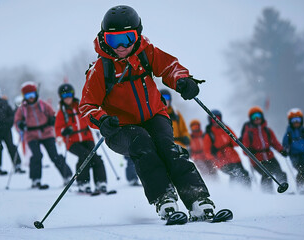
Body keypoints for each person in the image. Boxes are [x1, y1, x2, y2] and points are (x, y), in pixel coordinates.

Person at [79, 5, 215, 221]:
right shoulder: (100, 68)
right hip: (120, 128)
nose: (122, 46)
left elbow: (170, 67)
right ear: (104, 38)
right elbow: (87, 106)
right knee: (143, 144)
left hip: (154, 116)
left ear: (138, 35)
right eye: (114, 40)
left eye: (128, 38)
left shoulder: (146, 53)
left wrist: (182, 80)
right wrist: (102, 120)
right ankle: (164, 198)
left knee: (168, 149)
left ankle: (198, 198)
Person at [14, 81, 72, 189]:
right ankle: (36, 180)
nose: (31, 98)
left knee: (54, 155)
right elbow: (17, 121)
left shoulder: (43, 105)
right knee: (36, 156)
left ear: (36, 93)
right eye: (28, 96)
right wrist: (20, 125)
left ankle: (67, 176)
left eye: (32, 95)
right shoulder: (22, 108)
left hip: (46, 133)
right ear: (24, 97)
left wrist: (52, 120)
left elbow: (54, 115)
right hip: (31, 135)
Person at [55, 83, 108, 193]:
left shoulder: (80, 107)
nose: (67, 98)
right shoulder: (62, 112)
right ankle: (83, 183)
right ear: (61, 97)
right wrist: (63, 132)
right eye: (64, 96)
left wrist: (98, 125)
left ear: (73, 95)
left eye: (69, 95)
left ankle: (100, 182)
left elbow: (90, 117)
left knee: (95, 157)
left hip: (87, 138)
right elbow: (58, 128)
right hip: (72, 141)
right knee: (84, 156)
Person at [241, 106, 287, 193]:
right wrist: (250, 151)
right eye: (254, 117)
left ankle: (285, 190)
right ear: (251, 119)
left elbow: (274, 143)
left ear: (262, 117)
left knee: (280, 172)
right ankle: (267, 193)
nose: (257, 119)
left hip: (270, 156)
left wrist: (281, 150)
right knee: (267, 174)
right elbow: (244, 150)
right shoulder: (248, 133)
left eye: (258, 116)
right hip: (257, 160)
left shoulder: (267, 130)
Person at [203, 110, 251, 188]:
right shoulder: (209, 134)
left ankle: (248, 191)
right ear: (210, 121)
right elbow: (207, 152)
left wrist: (242, 140)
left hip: (235, 158)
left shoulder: (226, 128)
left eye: (217, 118)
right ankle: (234, 192)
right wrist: (215, 158)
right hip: (222, 161)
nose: (215, 121)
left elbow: (235, 142)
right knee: (234, 174)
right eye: (213, 119)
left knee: (245, 174)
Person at [282, 108, 304, 195]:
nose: (296, 122)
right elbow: (285, 144)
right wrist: (284, 150)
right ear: (290, 121)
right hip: (296, 157)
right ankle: (302, 189)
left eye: (298, 120)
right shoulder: (289, 133)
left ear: (301, 120)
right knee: (301, 171)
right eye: (294, 120)